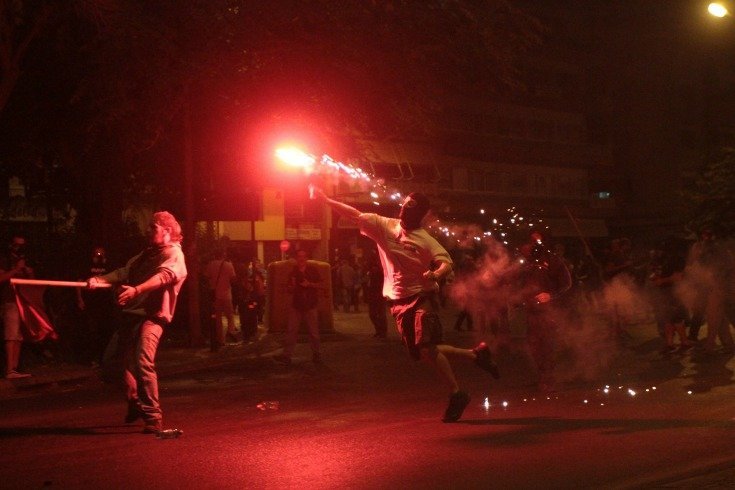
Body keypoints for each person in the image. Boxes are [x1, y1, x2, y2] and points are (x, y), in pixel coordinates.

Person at [315, 188, 498, 423]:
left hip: (423, 296)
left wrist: (435, 274)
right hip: (398, 299)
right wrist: (327, 199)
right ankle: (476, 355)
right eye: (403, 205)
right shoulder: (384, 226)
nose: (402, 210)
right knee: (422, 353)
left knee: (427, 347)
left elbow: (445, 263)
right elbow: (354, 214)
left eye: (409, 208)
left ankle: (457, 393)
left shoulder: (426, 239)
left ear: (419, 215)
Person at [87, 211, 187, 434]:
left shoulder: (173, 254)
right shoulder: (147, 254)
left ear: (167, 230)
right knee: (110, 365)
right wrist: (99, 279)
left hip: (152, 316)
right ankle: (134, 400)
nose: (148, 231)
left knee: (143, 361)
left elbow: (164, 277)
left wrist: (137, 290)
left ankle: (153, 416)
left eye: (153, 227)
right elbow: (125, 271)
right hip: (131, 314)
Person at [513, 232, 572, 393]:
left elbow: (567, 283)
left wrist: (551, 295)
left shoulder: (553, 260)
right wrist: (518, 300)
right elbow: (523, 285)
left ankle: (549, 379)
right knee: (534, 345)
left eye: (530, 244)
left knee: (547, 345)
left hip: (550, 311)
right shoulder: (527, 263)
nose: (525, 248)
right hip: (532, 311)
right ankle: (541, 376)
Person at [274, 249, 322, 365]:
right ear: (297, 258)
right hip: (297, 305)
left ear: (306, 258)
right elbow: (290, 289)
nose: (301, 259)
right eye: (299, 256)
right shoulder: (294, 272)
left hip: (310, 304)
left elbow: (321, 284)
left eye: (303, 256)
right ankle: (287, 355)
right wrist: (291, 287)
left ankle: (317, 354)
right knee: (291, 331)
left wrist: (309, 284)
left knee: (313, 332)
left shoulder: (312, 270)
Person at [1, 235, 34, 379]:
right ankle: (9, 370)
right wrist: (15, 270)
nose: (20, 248)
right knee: (11, 334)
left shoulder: (22, 261)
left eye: (23, 245)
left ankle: (15, 369)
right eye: (17, 245)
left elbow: (31, 283)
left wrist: (29, 273)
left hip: (22, 301)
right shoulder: (5, 259)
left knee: (19, 336)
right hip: (9, 300)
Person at [76, 246, 115, 366]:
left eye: (101, 253)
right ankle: (92, 359)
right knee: (91, 331)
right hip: (91, 303)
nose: (99, 255)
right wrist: (80, 299)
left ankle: (104, 359)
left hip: (105, 303)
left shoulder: (108, 266)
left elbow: (114, 280)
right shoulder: (87, 266)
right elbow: (79, 283)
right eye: (97, 253)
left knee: (105, 330)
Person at [204, 249, 238, 346]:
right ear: (223, 255)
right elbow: (233, 280)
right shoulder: (228, 265)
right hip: (227, 295)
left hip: (215, 296)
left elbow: (206, 277)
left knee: (218, 319)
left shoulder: (211, 265)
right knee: (230, 316)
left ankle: (221, 340)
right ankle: (230, 331)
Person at [364, 250, 388, 338]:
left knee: (380, 314)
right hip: (373, 294)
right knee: (373, 314)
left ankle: (382, 332)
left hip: (379, 294)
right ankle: (379, 330)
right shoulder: (369, 272)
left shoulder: (381, 271)